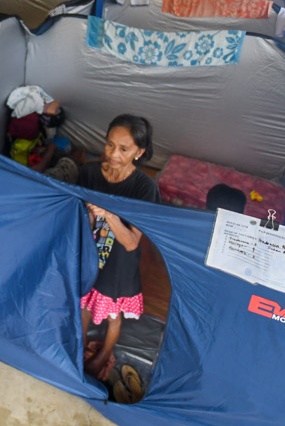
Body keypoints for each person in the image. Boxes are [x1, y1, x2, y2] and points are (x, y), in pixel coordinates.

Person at [79, 114, 159, 380]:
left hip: (119, 264)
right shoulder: (90, 172)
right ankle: (78, 351)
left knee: (113, 313)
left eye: (123, 149)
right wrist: (92, 214)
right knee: (84, 305)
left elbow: (131, 241)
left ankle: (101, 357)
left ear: (139, 152)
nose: (113, 154)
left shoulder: (144, 188)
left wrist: (107, 213)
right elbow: (81, 218)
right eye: (109, 144)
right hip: (90, 253)